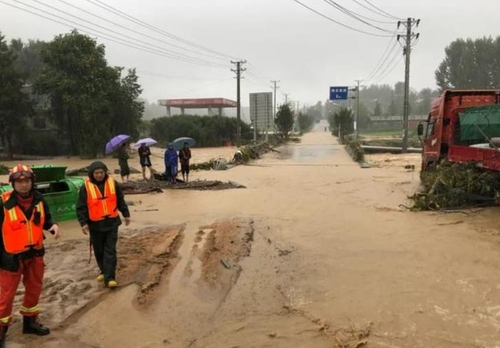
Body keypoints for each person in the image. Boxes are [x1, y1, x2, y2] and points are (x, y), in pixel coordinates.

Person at [0, 164, 60, 344]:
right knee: (6, 295)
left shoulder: (39, 199)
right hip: (11, 257)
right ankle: (1, 329)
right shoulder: (2, 202)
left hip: (35, 254)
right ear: (13, 184)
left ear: (32, 181)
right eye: (19, 181)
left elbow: (46, 219)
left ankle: (30, 322)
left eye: (26, 181)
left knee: (34, 290)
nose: (23, 185)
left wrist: (53, 226)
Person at [76, 161, 130, 289]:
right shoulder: (85, 187)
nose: (99, 175)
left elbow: (120, 199)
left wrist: (126, 214)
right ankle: (103, 271)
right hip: (95, 225)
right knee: (99, 251)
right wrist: (83, 223)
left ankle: (110, 278)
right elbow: (81, 206)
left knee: (110, 250)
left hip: (112, 223)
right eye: (96, 173)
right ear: (91, 173)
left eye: (101, 172)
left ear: (105, 172)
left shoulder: (112, 183)